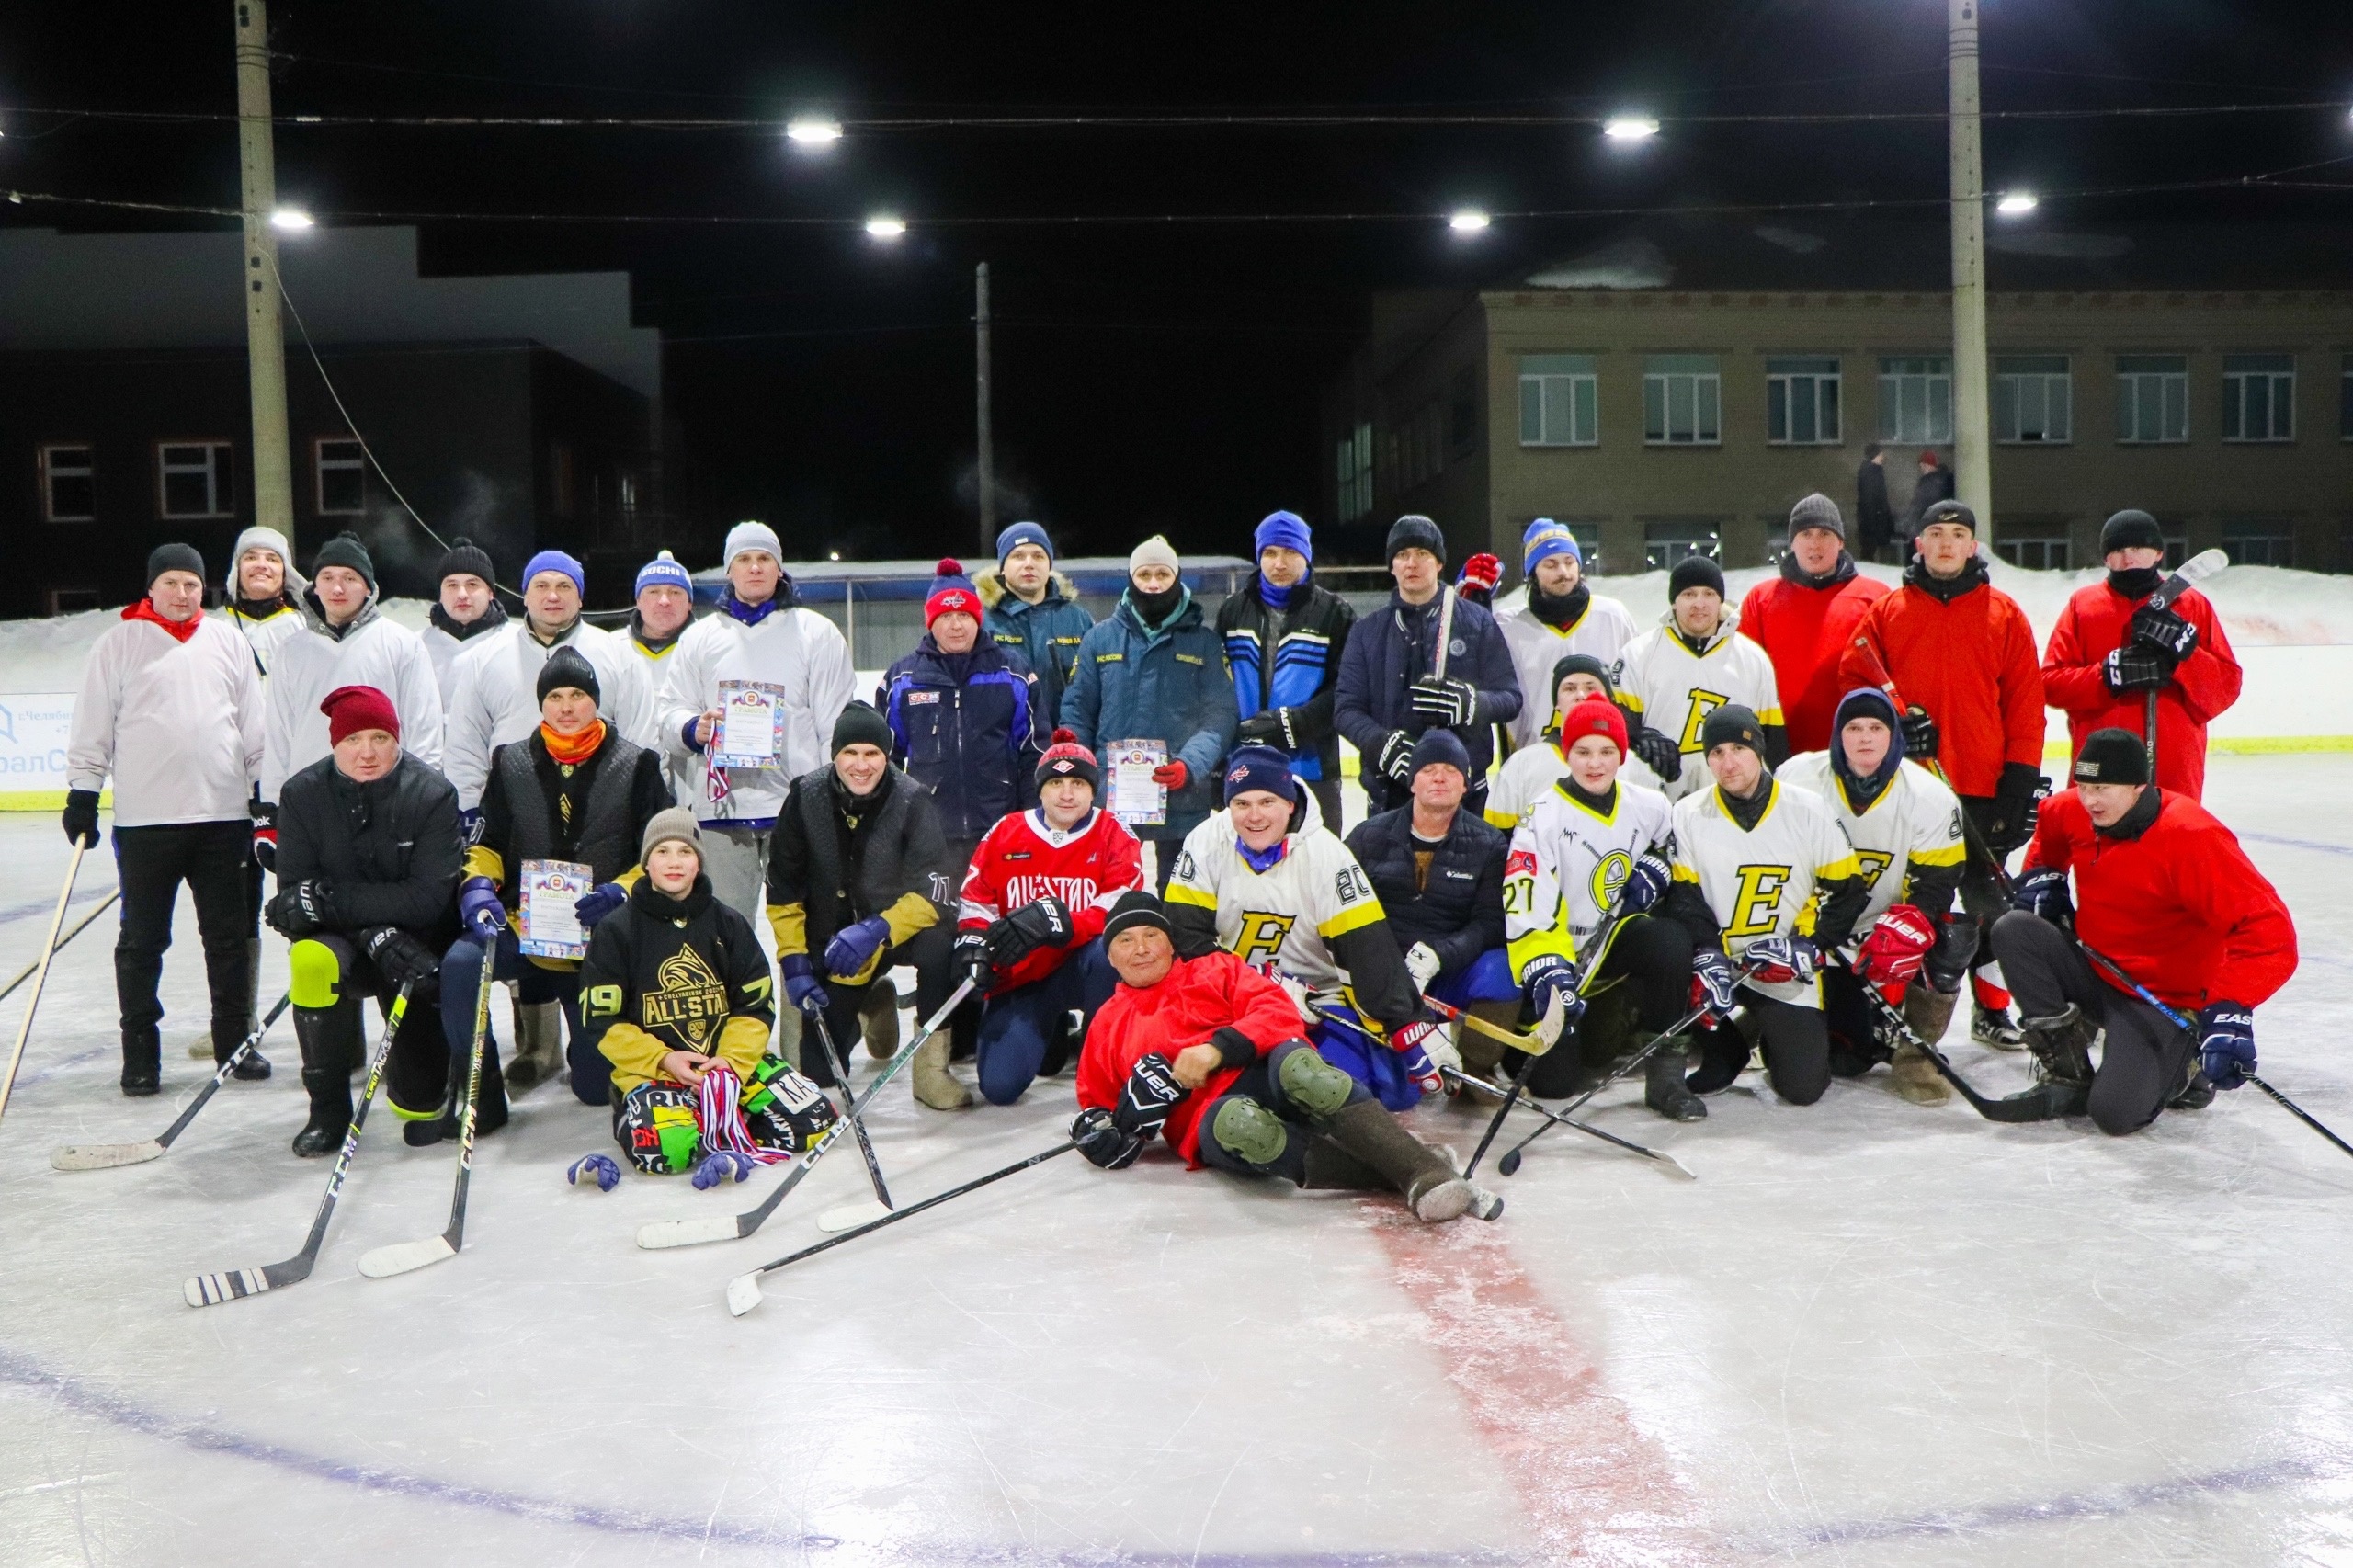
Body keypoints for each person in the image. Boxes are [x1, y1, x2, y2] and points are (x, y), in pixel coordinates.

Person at [1070, 892, 1497, 1223]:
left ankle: (1418, 1167)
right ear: (1110, 956)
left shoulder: (1215, 969)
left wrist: (1217, 1049)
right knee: (1240, 1125)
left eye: (1152, 935)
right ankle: (1414, 1168)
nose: (1141, 948)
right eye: (1125, 940)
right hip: (1207, 1118)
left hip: (1263, 1070)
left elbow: (1277, 1010)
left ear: (1170, 943)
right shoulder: (1106, 1023)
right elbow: (1097, 1104)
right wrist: (1107, 1130)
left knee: (1307, 1073)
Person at [1995, 729, 2297, 1135]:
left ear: (2139, 786)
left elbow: (2270, 932)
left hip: (2163, 998)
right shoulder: (2066, 811)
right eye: (2083, 787)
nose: (2089, 801)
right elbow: (2044, 858)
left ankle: (2186, 1060)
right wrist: (2041, 882)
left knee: (2115, 1115)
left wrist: (2230, 1008)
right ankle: (2069, 1077)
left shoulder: (2192, 835)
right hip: (2096, 968)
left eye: (2102, 788)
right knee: (2016, 929)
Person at [1841, 499, 2046, 1050]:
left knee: (1990, 911)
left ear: (1973, 545)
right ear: (1920, 544)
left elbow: (2026, 704)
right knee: (1906, 905)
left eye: (1958, 534)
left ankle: (1993, 1011)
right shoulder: (1888, 611)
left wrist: (2019, 781)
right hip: (1908, 789)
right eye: (1936, 533)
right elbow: (1854, 683)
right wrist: (1894, 727)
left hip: (1982, 789)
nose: (1947, 543)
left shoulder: (2005, 614)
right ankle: (1889, 1009)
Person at [65, 544, 268, 1095]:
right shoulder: (119, 643)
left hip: (223, 818)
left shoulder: (228, 640)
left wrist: (262, 792)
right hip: (146, 823)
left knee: (228, 940)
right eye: (172, 583)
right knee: (142, 942)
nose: (182, 594)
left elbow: (253, 725)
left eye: (192, 584)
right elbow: (93, 726)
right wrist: (83, 793)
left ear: (205, 589)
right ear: (151, 587)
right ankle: (141, 1056)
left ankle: (235, 1045)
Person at [439, 646, 673, 1125]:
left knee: (595, 1089)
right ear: (541, 704)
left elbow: (662, 851)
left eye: (577, 696)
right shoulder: (510, 762)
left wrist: (621, 891)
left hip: (598, 939)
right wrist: (478, 885)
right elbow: (489, 840)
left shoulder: (638, 764)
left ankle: (587, 1052)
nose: (566, 708)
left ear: (596, 701)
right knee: (462, 964)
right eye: (555, 697)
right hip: (524, 927)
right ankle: (481, 1095)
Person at [1165, 745, 1453, 1110]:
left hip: (1320, 999)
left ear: (1289, 803)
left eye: (1267, 802)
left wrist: (1407, 1023)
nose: (1254, 816)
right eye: (1241, 804)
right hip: (1232, 995)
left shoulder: (1326, 856)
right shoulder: (1205, 842)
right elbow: (1186, 938)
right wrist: (1254, 981)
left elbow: (1366, 949)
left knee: (1377, 1093)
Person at [581, 809, 834, 1176]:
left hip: (725, 1068)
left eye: (685, 852)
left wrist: (730, 1062)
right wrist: (665, 1060)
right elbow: (602, 1021)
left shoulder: (728, 923)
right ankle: (646, 1114)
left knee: (817, 1121)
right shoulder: (615, 930)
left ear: (699, 861)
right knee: (668, 1153)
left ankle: (723, 1116)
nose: (674, 862)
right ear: (646, 863)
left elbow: (754, 1006)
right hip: (655, 1071)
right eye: (662, 851)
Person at [264, 685, 461, 1155]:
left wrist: (336, 902)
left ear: (397, 739)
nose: (367, 753)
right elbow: (294, 901)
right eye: (353, 740)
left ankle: (419, 1097)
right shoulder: (301, 795)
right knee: (312, 961)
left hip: (414, 937)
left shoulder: (433, 794)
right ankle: (328, 1110)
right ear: (335, 743)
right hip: (342, 938)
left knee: (420, 1097)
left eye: (379, 738)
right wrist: (371, 930)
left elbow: (426, 900)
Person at [1659, 706, 1872, 1107]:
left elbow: (1848, 891)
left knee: (1803, 1089)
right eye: (1716, 752)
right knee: (1664, 955)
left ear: (1758, 749)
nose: (1728, 763)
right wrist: (1707, 953)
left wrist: (1807, 945)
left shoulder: (1808, 809)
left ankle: (1770, 1033)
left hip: (1780, 964)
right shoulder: (1687, 813)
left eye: (1738, 749)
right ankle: (1727, 1047)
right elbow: (1685, 899)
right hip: (1719, 965)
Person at [1501, 697, 1697, 1118]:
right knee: (1555, 1085)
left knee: (1670, 941)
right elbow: (1526, 900)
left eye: (1607, 751)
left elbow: (1677, 844)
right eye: (1583, 751)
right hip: (1561, 960)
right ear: (1566, 754)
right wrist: (1547, 968)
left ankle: (1666, 1077)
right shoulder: (1541, 816)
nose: (1595, 763)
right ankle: (1590, 1025)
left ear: (1622, 755)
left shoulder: (1649, 805)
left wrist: (1657, 867)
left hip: (1611, 945)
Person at [1778, 688, 1973, 1104]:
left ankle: (1915, 1057)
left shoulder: (1929, 797)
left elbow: (1937, 882)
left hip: (1883, 928)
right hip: (1818, 927)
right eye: (1853, 728)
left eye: (1876, 728)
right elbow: (1777, 860)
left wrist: (1911, 922)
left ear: (1893, 735)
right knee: (1846, 1058)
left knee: (1954, 936)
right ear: (1837, 734)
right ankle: (1766, 1019)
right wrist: (1808, 927)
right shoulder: (1799, 779)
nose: (1865, 737)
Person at [766, 703, 962, 1106]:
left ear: (886, 756)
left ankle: (931, 1071)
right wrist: (794, 960)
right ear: (834, 755)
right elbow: (784, 890)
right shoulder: (804, 797)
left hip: (895, 932)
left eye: (872, 753)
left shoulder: (912, 798)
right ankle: (872, 1003)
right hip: (830, 941)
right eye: (850, 753)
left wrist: (877, 929)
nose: (861, 765)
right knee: (816, 1072)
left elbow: (936, 892)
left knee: (939, 946)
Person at [661, 521, 857, 925]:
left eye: (764, 558)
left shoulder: (817, 633)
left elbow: (834, 725)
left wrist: (831, 802)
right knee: (725, 930)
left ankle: (800, 975)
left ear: (779, 568)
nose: (754, 567)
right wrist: (692, 729)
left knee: (808, 925)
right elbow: (670, 710)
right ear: (728, 570)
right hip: (722, 810)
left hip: (796, 809)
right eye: (744, 559)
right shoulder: (699, 638)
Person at [954, 730, 1145, 1105]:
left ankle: (1100, 1051)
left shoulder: (1114, 832)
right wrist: (975, 942)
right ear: (1040, 790)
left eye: (1078, 783)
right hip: (1023, 975)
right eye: (1056, 783)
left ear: (1093, 790)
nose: (1067, 794)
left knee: (1110, 952)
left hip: (1084, 969)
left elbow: (1123, 905)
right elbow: (976, 900)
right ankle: (1052, 1029)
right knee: (999, 1089)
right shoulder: (1006, 830)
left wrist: (1064, 923)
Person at [1062, 535, 1239, 892]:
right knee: (1111, 891)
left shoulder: (1204, 642)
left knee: (1180, 895)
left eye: (1162, 574)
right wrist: (1079, 763)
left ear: (1176, 578)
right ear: (1131, 579)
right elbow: (1078, 709)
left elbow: (1221, 715)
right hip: (1112, 794)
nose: (1154, 584)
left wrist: (1189, 764)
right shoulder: (1099, 639)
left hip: (1181, 794)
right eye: (1144, 575)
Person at [2041, 509, 2242, 801]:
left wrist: (2183, 657)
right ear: (2106, 558)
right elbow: (2050, 684)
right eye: (2118, 550)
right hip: (2101, 766)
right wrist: (2108, 675)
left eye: (2137, 547)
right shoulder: (2083, 606)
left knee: (2174, 829)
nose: (2128, 558)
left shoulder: (2192, 605)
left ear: (2158, 552)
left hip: (2175, 769)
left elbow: (2226, 686)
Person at [1333, 514, 1521, 818]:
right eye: (1402, 555)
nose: (1412, 563)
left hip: (1465, 797)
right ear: (1392, 566)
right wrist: (1380, 744)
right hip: (1390, 797)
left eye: (1422, 553)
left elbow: (1510, 697)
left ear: (1439, 563)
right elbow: (1346, 710)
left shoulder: (1477, 622)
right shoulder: (1366, 631)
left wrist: (1472, 705)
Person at [441, 548, 657, 812]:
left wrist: (637, 808)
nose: (553, 596)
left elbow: (641, 740)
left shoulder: (618, 655)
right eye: (541, 586)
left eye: (564, 586)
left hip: (600, 812)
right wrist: (469, 809)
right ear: (525, 596)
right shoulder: (486, 657)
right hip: (511, 812)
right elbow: (465, 745)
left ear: (580, 598)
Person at [1342, 730, 1512, 1030]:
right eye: (1428, 769)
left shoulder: (1490, 844)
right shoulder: (1367, 837)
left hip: (1450, 972)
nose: (1439, 778)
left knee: (1502, 971)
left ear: (1465, 784)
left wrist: (1439, 955)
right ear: (1412, 782)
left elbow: (1490, 924)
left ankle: (1471, 1056)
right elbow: (1339, 911)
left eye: (1451, 770)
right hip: (1379, 976)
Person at [260, 529, 444, 806]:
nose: (337, 589)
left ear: (368, 587)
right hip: (311, 801)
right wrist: (273, 805)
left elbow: (424, 728)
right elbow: (278, 737)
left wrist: (422, 798)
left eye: (349, 578)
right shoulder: (292, 650)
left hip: (387, 799)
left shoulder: (401, 643)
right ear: (315, 586)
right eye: (327, 578)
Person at [213, 524, 307, 1060]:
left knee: (305, 904)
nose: (262, 566)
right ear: (237, 568)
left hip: (295, 787)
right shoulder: (214, 630)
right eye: (251, 557)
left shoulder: (306, 627)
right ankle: (239, 1022)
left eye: (272, 558)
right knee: (236, 909)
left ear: (286, 569)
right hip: (232, 790)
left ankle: (323, 1025)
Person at [880, 557, 1042, 858]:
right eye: (946, 616)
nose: (956, 625)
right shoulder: (903, 679)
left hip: (1000, 831)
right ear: (931, 621)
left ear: (978, 618)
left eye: (964, 615)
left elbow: (1034, 751)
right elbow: (886, 758)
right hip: (928, 835)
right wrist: (898, 825)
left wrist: (1029, 821)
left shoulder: (1012, 673)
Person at [1215, 510, 1358, 829]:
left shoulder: (1336, 613)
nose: (1279, 563)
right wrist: (1218, 763)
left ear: (1306, 555)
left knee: (1315, 859)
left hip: (1312, 769)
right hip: (1244, 766)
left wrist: (1296, 724)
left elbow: (1348, 689)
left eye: (1290, 552)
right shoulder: (1232, 611)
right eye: (1270, 553)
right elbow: (1217, 687)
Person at [1613, 555, 1784, 801]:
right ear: (1674, 601)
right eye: (1689, 594)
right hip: (1655, 800)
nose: (1699, 603)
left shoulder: (1752, 659)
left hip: (1733, 803)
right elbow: (1617, 734)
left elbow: (1772, 742)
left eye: (1708, 594)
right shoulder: (1637, 655)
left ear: (1720, 600)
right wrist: (1637, 738)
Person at [1737, 494, 1891, 754]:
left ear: (1840, 542)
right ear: (1792, 542)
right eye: (1806, 534)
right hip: (1779, 745)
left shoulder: (1876, 598)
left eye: (1825, 534)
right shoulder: (1761, 599)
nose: (1814, 544)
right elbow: (1743, 676)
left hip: (1856, 748)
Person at [1494, 518, 1638, 751]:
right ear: (1532, 573)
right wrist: (1472, 606)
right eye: (1550, 565)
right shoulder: (1508, 626)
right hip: (1533, 759)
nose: (1563, 572)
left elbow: (1637, 686)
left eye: (1569, 562)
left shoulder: (1613, 616)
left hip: (1602, 757)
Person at [1483, 653, 1664, 831]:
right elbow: (1498, 839)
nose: (1581, 695)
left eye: (1591, 688)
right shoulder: (1520, 765)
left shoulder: (1638, 766)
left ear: (1609, 699)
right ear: (1556, 703)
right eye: (1569, 689)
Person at [978, 521, 1093, 725]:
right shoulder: (982, 621)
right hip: (1003, 738)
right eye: (1018, 556)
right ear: (1002, 567)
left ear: (1049, 565)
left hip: (1065, 738)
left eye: (1038, 556)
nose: (1029, 564)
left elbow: (1094, 687)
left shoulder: (1079, 619)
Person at [621, 550, 703, 807]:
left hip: (700, 795)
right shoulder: (612, 649)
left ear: (690, 603)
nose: (664, 600)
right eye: (653, 592)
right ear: (638, 600)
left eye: (675, 592)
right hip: (627, 795)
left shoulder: (709, 646)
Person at [418, 537, 507, 704]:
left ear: (490, 592)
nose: (462, 594)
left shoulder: (513, 641)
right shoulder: (417, 645)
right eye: (452, 585)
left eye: (472, 585)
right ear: (440, 594)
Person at [1855, 444, 1895, 567]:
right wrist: (1875, 523)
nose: (1883, 457)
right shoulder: (1870, 473)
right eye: (1880, 454)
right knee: (1870, 554)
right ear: (1875, 455)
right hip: (1873, 522)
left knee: (1870, 553)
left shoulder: (1873, 471)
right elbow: (1870, 501)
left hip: (1875, 522)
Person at [1907, 449, 1953, 535]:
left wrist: (1910, 529)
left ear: (1928, 465)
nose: (1922, 469)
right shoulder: (1947, 479)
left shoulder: (1927, 482)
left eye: (1923, 466)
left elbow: (1918, 506)